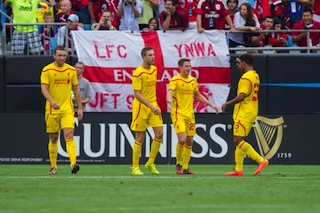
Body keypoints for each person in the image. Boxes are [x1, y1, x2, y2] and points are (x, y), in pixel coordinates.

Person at [167, 58, 218, 175]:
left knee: (189, 141)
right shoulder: (175, 80)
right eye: (186, 66)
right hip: (178, 113)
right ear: (180, 67)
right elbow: (169, 92)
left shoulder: (193, 81)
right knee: (182, 139)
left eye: (190, 66)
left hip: (190, 115)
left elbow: (197, 94)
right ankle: (178, 164)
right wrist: (169, 101)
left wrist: (210, 103)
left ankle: (185, 168)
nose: (189, 68)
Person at [221, 53, 269, 177]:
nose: (237, 66)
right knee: (240, 139)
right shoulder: (255, 75)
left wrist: (227, 104)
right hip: (251, 110)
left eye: (238, 63)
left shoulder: (246, 77)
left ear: (244, 63)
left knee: (237, 140)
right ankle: (238, 169)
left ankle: (261, 160)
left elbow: (242, 96)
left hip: (245, 112)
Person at [40, 45, 83, 175]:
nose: (62, 58)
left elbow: (76, 90)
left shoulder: (71, 70)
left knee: (69, 135)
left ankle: (73, 164)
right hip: (52, 110)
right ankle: (53, 167)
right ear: (54, 56)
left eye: (64, 55)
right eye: (59, 55)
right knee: (53, 138)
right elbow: (44, 88)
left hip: (67, 109)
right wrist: (51, 101)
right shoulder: (47, 70)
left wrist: (80, 108)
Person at [130, 46, 163, 176]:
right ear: (144, 57)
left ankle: (150, 163)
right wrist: (151, 106)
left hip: (153, 105)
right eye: (150, 55)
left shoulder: (154, 69)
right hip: (141, 107)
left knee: (159, 133)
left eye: (153, 54)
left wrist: (153, 105)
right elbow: (137, 94)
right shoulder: (138, 72)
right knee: (140, 137)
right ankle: (135, 167)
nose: (153, 57)